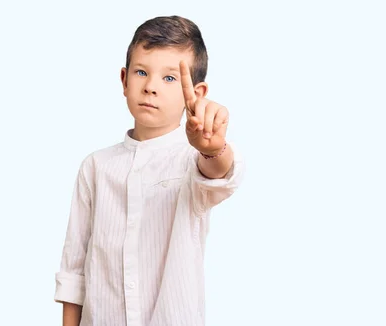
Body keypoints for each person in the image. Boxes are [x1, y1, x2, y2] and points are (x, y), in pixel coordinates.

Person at [53, 15, 245, 326]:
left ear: (196, 92)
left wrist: (211, 149)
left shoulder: (192, 159)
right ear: (124, 80)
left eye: (170, 78)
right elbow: (74, 268)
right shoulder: (95, 167)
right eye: (142, 72)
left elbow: (220, 175)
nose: (151, 87)